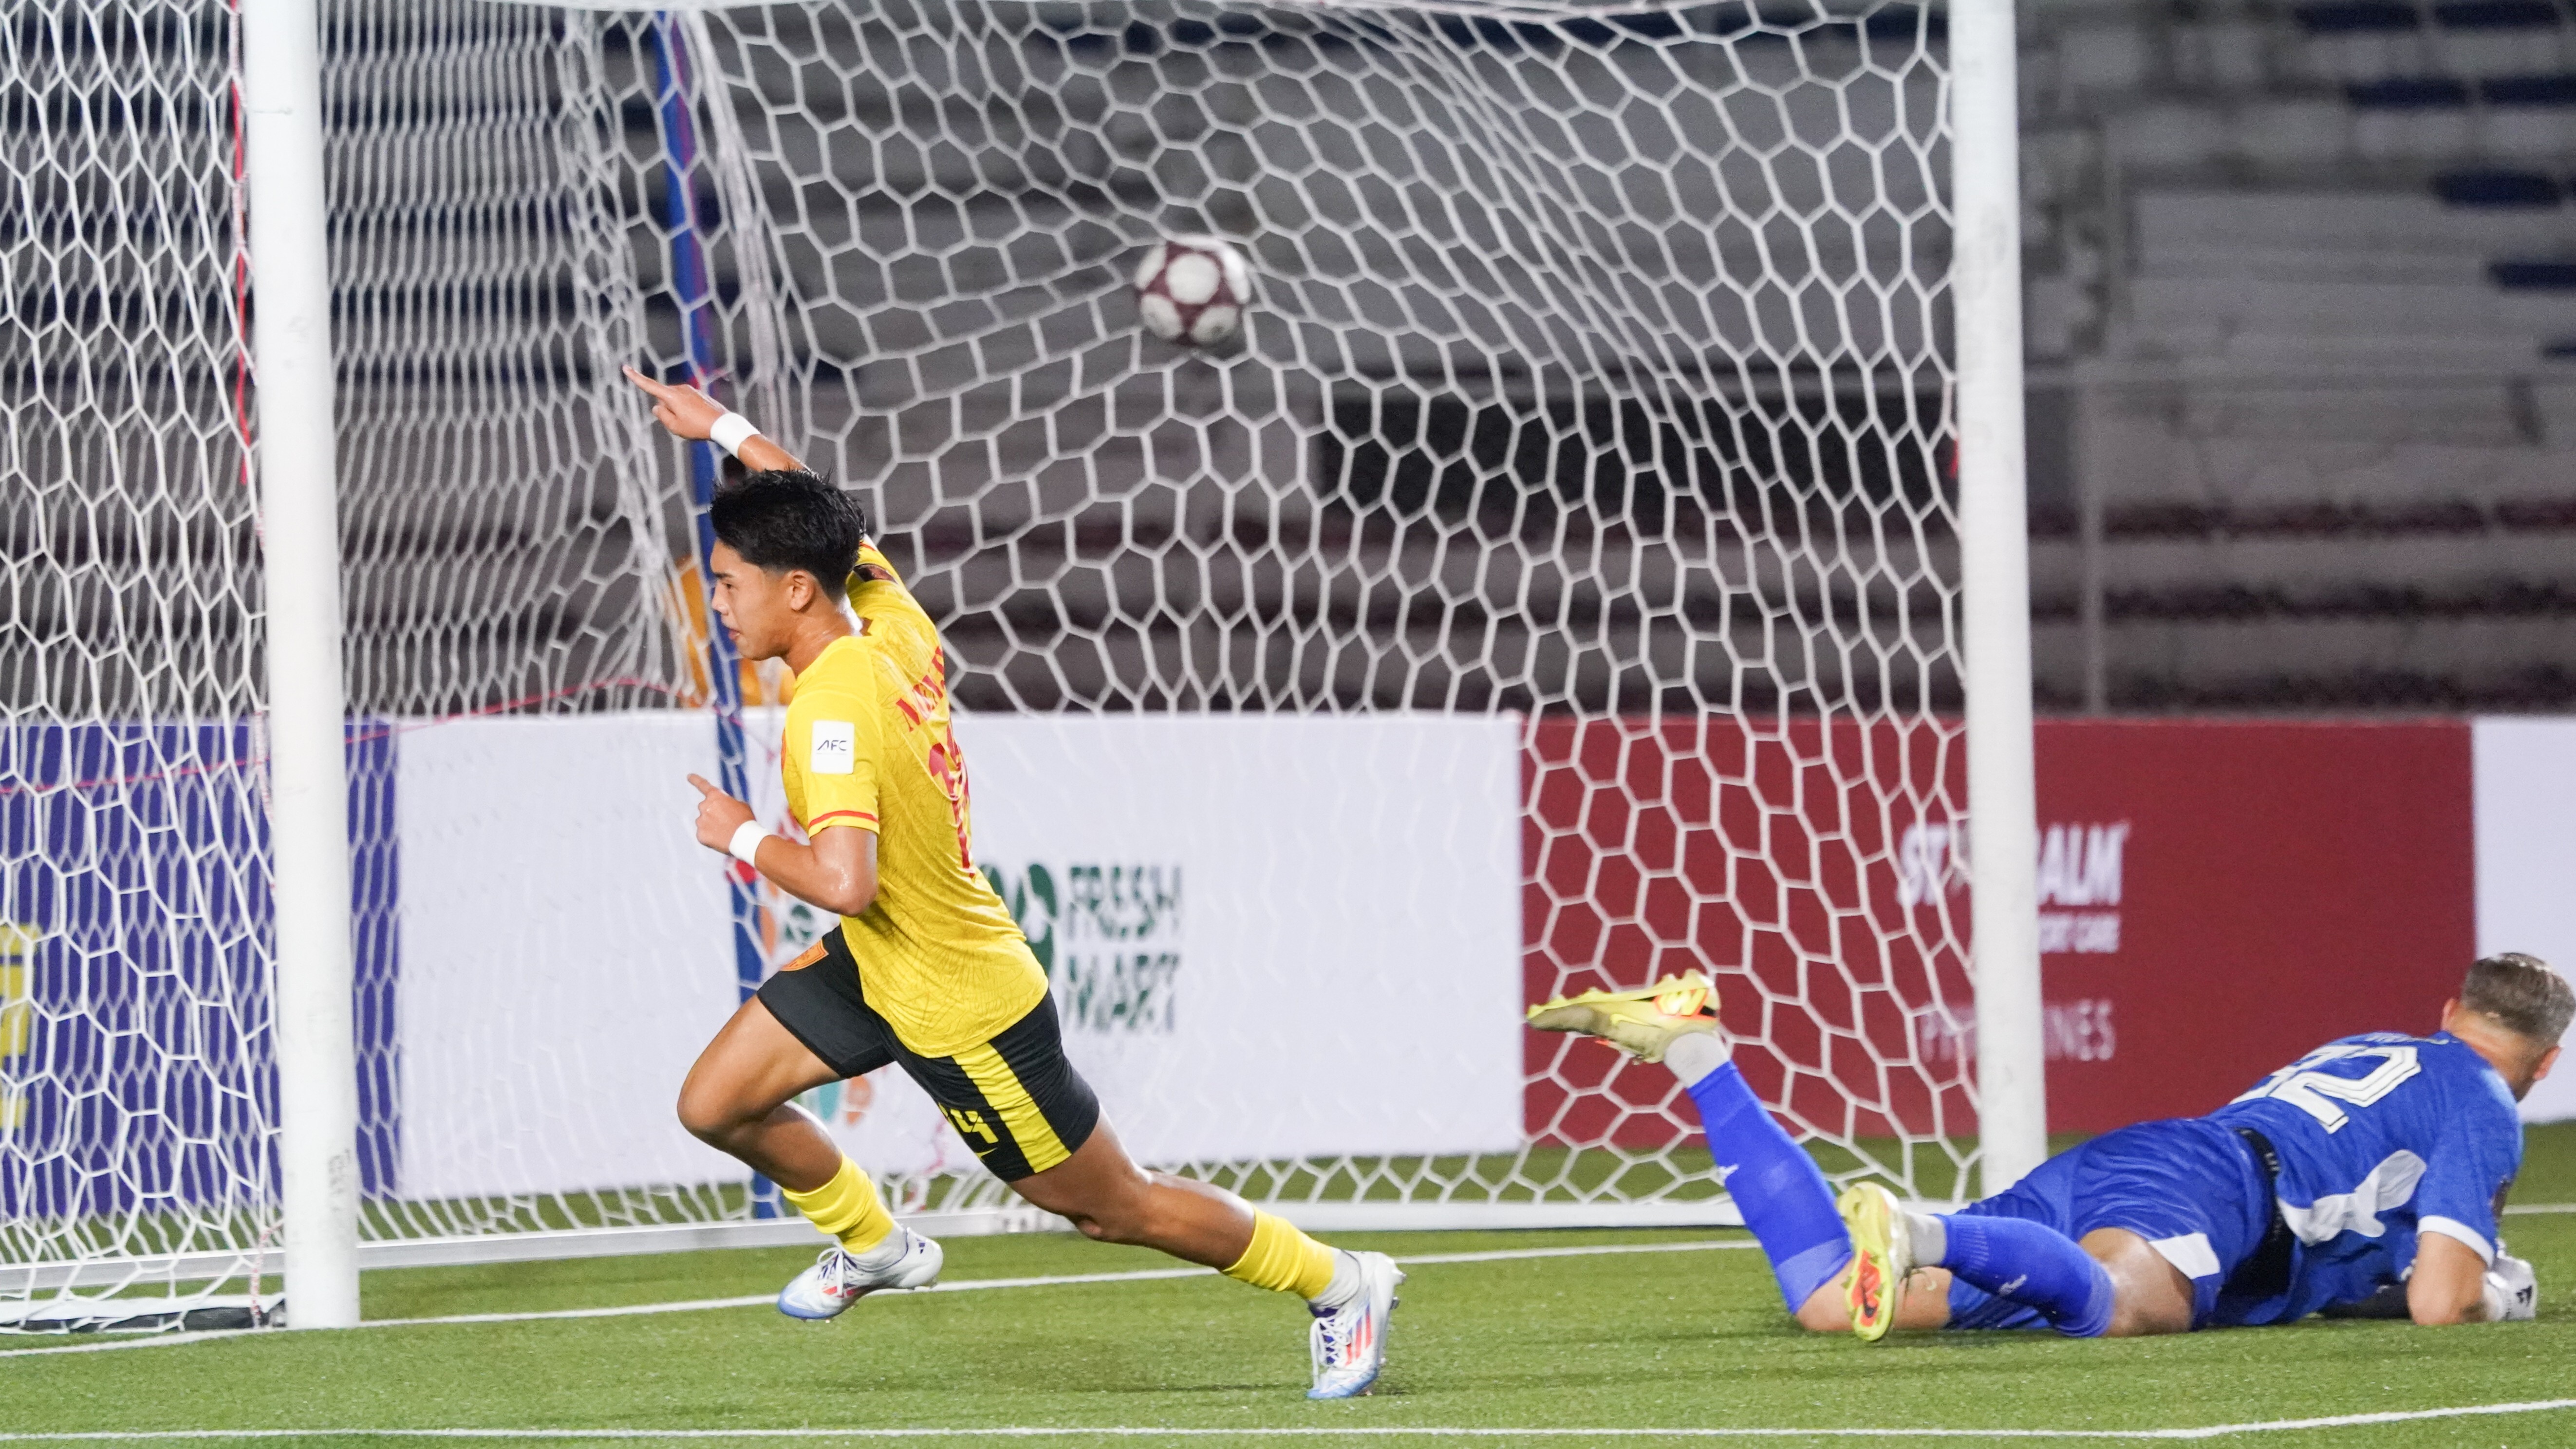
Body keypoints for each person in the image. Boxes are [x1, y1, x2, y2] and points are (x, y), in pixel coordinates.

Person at [624, 368, 1400, 1399]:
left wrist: (742, 836)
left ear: (795, 589)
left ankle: (1338, 1282)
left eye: (728, 582)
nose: (716, 601)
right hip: (883, 965)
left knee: (1112, 1207)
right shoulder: (889, 624)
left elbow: (844, 882)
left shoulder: (832, 712)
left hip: (960, 1005)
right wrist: (723, 427)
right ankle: (877, 1245)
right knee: (717, 1103)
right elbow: (825, 518)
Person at [1527, 952, 2566, 1338]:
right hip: (2211, 1191)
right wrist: (2496, 1296)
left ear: (2446, 1010)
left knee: (1831, 1302)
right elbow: (2440, 1302)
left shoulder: (2379, 1047)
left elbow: (2368, 1260)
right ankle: (1921, 1231)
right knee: (2122, 1307)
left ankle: (1696, 1050)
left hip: (2146, 1160)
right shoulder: (2481, 1100)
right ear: (2547, 1063)